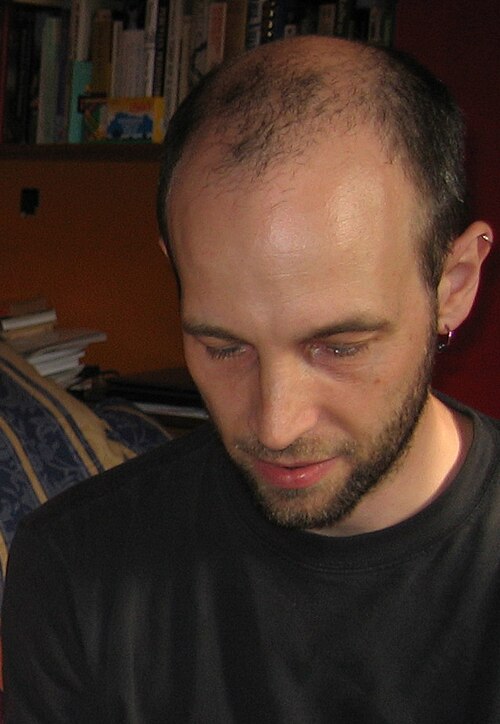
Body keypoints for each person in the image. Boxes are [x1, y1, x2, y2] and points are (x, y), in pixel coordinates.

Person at [2, 35, 499, 723]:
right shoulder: (75, 567)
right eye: (223, 347)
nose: (276, 424)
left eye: (340, 347)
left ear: (455, 286)